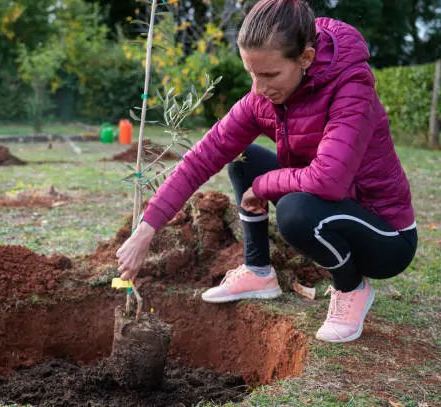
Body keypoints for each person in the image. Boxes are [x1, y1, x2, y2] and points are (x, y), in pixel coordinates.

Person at [116, 0, 417, 343]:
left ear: (305, 58)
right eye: (251, 73)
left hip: (385, 236)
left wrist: (263, 186)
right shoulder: (264, 96)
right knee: (242, 157)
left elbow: (329, 180)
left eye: (269, 74)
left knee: (294, 211)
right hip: (326, 204)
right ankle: (259, 272)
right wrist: (146, 228)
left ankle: (352, 288)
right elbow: (200, 159)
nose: (258, 88)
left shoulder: (352, 88)